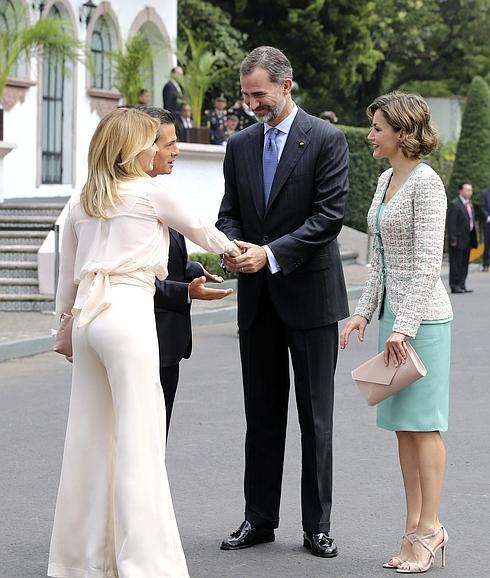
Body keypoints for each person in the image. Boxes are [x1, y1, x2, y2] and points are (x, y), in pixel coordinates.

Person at [48, 107, 238, 578]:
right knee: (141, 441)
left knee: (88, 442)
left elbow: (67, 281)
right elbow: (205, 232)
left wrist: (64, 328)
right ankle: (147, 564)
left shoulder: (82, 201)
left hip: (89, 321)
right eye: (153, 141)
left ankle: (81, 562)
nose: (159, 148)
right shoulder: (150, 193)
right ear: (134, 148)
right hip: (128, 316)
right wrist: (241, 252)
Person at [217, 46, 349, 558]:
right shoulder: (239, 145)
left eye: (260, 94)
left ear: (286, 86)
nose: (251, 103)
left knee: (315, 419)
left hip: (311, 299)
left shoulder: (326, 139)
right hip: (257, 301)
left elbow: (329, 217)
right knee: (261, 414)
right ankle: (259, 518)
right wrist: (233, 248)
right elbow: (230, 212)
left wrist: (268, 254)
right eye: (246, 95)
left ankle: (317, 525)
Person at [340, 91, 452, 573]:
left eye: (377, 128)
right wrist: (364, 313)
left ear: (403, 133)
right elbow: (380, 260)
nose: (370, 135)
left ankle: (431, 529)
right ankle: (413, 528)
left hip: (424, 320)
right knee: (402, 430)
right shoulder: (386, 178)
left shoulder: (427, 184)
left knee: (424, 426)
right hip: (393, 322)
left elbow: (428, 263)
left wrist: (404, 326)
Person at [139, 106, 233, 435]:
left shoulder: (156, 191)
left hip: (165, 341)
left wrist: (191, 269)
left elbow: (160, 257)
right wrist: (236, 250)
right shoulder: (139, 198)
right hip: (144, 337)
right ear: (144, 146)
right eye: (169, 144)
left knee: (153, 438)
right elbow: (132, 278)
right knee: (142, 441)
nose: (177, 151)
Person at [447, 182, 478, 292]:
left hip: (468, 238)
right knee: (456, 263)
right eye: (467, 190)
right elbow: (451, 223)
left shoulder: (470, 204)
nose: (470, 192)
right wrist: (453, 239)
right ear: (460, 191)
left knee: (465, 262)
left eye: (470, 190)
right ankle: (454, 285)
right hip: (457, 239)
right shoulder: (455, 204)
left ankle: (462, 284)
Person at [481, 185, 490, 271]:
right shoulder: (485, 192)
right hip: (488, 222)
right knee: (487, 244)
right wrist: (488, 216)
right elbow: (482, 207)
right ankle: (486, 264)